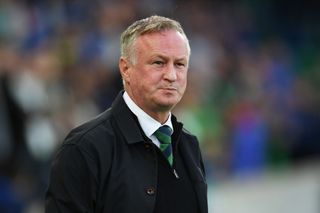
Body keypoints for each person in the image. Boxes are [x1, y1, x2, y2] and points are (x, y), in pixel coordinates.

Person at [45, 15, 208, 213]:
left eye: (180, 64)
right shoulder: (84, 149)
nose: (171, 75)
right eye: (158, 62)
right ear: (126, 69)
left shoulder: (189, 145)